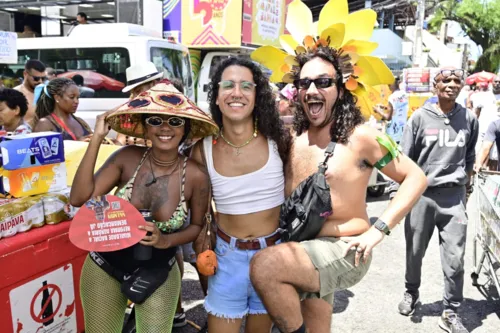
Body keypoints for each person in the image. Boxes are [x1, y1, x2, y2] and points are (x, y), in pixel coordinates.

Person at [248, 1, 428, 331]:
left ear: (341, 88)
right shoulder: (293, 135)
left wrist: (379, 230)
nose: (312, 90)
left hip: (344, 249)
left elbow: (415, 177)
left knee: (266, 267)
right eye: (304, 84)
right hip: (303, 247)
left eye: (323, 82)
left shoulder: (363, 137)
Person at [69, 79, 218, 333]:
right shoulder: (126, 158)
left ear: (186, 128)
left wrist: (165, 241)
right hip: (104, 264)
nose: (165, 128)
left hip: (159, 270)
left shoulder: (195, 175)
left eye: (175, 121)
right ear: (145, 127)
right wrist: (97, 139)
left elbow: (197, 227)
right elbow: (79, 198)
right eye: (155, 120)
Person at [190, 57, 291, 333]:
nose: (237, 93)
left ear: (257, 96)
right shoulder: (202, 150)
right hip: (226, 259)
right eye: (228, 85)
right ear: (217, 95)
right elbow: (193, 206)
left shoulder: (279, 141)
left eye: (246, 86)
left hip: (273, 258)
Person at [396, 68, 478, 333]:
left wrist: (465, 185)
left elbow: (470, 156)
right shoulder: (419, 118)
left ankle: (451, 311)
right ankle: (411, 292)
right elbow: (404, 159)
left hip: (454, 198)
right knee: (415, 252)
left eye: (457, 81)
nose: (452, 85)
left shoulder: (469, 119)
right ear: (435, 85)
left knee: (455, 258)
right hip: (423, 197)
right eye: (446, 81)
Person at [115, 62, 164, 146]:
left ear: (153, 85)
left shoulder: (169, 112)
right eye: (132, 93)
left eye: (137, 91)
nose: (134, 96)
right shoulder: (130, 115)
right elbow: (120, 141)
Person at [374, 76, 409, 144]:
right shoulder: (404, 94)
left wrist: (378, 110)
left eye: (389, 84)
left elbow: (388, 118)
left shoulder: (392, 97)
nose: (388, 85)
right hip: (402, 131)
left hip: (393, 132)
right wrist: (384, 107)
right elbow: (397, 108)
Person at [14, 59, 46, 127]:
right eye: (36, 78)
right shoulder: (15, 94)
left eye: (43, 78)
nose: (40, 81)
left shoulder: (47, 93)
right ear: (25, 74)